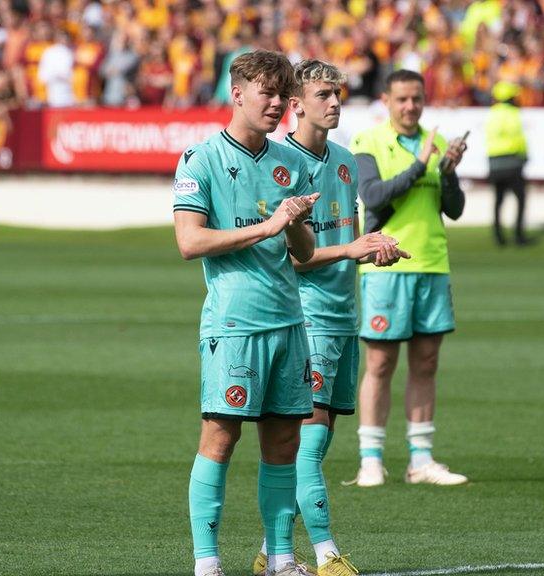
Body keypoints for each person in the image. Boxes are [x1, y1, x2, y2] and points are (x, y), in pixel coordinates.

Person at [250, 59, 408, 576]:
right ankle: (325, 554)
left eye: (337, 94)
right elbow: (293, 255)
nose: (335, 103)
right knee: (308, 448)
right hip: (305, 319)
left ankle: (270, 548)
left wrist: (376, 248)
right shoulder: (279, 164)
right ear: (296, 104)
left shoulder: (343, 160)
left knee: (312, 444)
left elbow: (349, 237)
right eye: (324, 95)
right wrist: (351, 250)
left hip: (344, 317)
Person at [172, 49, 321, 576]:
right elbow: (189, 242)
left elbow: (302, 254)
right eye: (267, 92)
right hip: (234, 325)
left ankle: (280, 559)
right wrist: (268, 226)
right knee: (220, 436)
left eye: (283, 95)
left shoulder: (294, 162)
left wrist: (296, 220)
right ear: (237, 93)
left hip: (288, 323)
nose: (277, 103)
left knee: (284, 440)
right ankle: (206, 563)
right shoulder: (200, 159)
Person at [349, 69, 468, 487]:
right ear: (386, 100)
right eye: (401, 99)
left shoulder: (435, 146)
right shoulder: (369, 141)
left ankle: (420, 459)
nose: (410, 106)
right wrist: (421, 165)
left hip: (431, 264)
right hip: (385, 265)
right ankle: (370, 458)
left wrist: (448, 171)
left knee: (427, 363)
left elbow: (453, 210)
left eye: (416, 98)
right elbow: (373, 195)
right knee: (379, 362)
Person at [485, 81, 531, 246]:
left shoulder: (492, 113)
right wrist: (525, 155)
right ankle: (519, 235)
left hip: (494, 163)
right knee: (521, 198)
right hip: (512, 162)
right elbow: (519, 137)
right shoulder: (513, 113)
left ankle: (498, 236)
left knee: (498, 200)